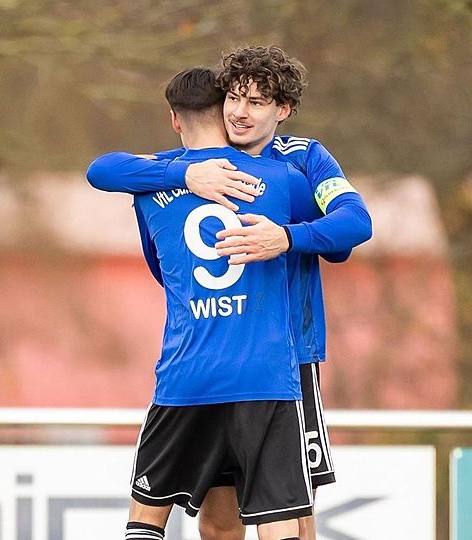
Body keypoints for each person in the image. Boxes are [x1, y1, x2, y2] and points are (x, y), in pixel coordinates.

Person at [88, 45, 371, 540]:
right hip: (220, 352)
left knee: (296, 509)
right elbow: (104, 169)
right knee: (220, 519)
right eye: (234, 99)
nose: (240, 112)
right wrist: (184, 173)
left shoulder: (302, 159)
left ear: (283, 110)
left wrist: (287, 237)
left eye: (256, 103)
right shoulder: (186, 167)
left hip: (288, 355)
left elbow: (353, 224)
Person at [122, 67, 318, 540]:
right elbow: (341, 238)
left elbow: (160, 269)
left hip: (186, 376)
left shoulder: (148, 187)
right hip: (265, 376)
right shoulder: (282, 177)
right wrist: (286, 238)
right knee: (280, 520)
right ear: (224, 111)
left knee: (146, 517)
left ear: (174, 119)